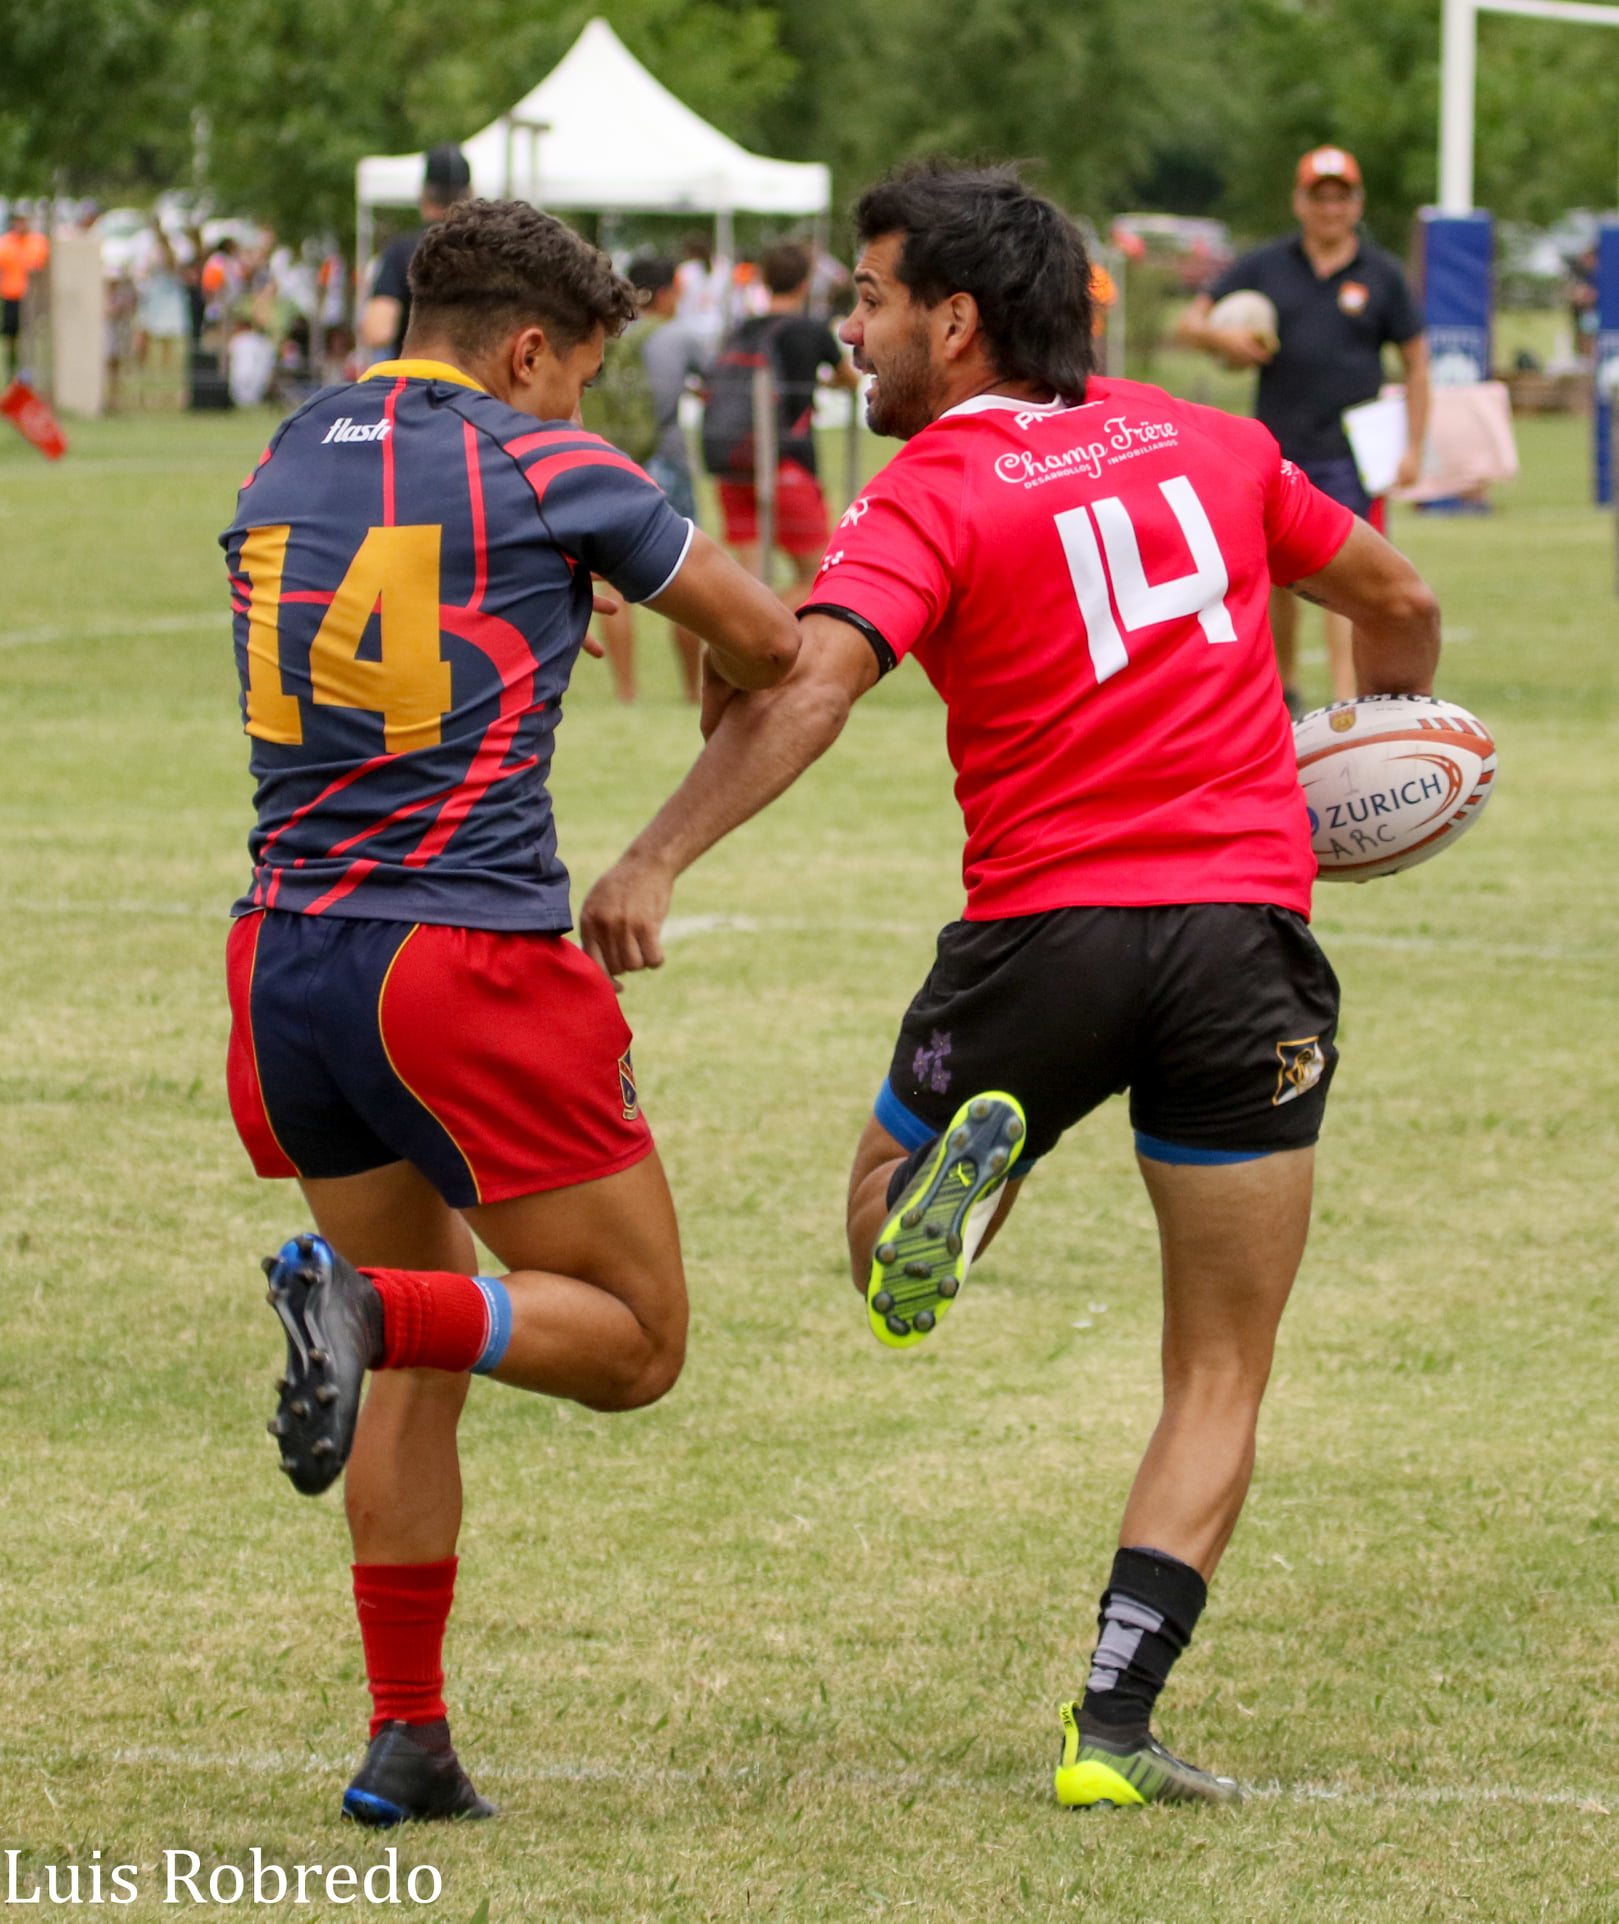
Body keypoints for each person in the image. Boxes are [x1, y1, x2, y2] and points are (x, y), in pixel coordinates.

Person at [581, 163, 1441, 1809]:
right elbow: (1393, 598)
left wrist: (653, 855)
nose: (853, 329)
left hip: (1044, 935)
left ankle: (953, 1193)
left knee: (873, 1226)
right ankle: (1110, 1722)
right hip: (1243, 940)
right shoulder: (1213, 438)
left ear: (953, 321)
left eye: (872, 299)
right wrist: (1356, 780)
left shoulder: (932, 485)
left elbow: (811, 684)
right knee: (1215, 1366)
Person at [219, 198, 797, 1826]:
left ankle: (406, 1735)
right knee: (628, 1342)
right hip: (460, 959)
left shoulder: (283, 451)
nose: (581, 414)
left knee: (427, 1333)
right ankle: (364, 1306)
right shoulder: (547, 467)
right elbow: (771, 637)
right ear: (526, 348)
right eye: (579, 379)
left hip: (288, 956)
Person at [1175, 146, 1430, 711]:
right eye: (1320, 196)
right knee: (1273, 581)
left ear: (1356, 204)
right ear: (1300, 201)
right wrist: (1226, 340)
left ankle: (1346, 703)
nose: (1331, 208)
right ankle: (1284, 691)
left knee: (1350, 581)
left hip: (1351, 453)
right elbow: (1190, 323)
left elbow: (1417, 362)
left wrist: (1414, 446)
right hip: (1275, 449)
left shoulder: (1381, 274)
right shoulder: (1265, 267)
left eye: (1342, 197)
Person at [584, 256, 710, 703]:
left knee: (611, 577)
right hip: (667, 458)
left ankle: (626, 689)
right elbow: (714, 380)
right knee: (688, 573)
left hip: (613, 458)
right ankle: (692, 691)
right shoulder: (680, 335)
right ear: (665, 293)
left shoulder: (608, 338)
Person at [707, 241, 860, 605]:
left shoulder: (740, 329)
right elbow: (850, 379)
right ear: (805, 283)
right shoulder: (810, 331)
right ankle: (761, 636)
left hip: (734, 465)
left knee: (751, 585)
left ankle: (743, 642)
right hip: (787, 464)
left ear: (763, 280)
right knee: (818, 578)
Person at [360, 145, 472, 361]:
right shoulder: (490, 248)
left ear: (424, 195)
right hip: (477, 386)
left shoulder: (402, 251)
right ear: (471, 194)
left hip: (416, 384)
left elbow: (378, 330)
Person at [0, 211, 50, 382]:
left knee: (30, 337)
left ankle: (27, 372)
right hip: (11, 296)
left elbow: (44, 269)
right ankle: (11, 369)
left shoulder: (38, 242)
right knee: (11, 337)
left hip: (31, 298)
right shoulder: (5, 243)